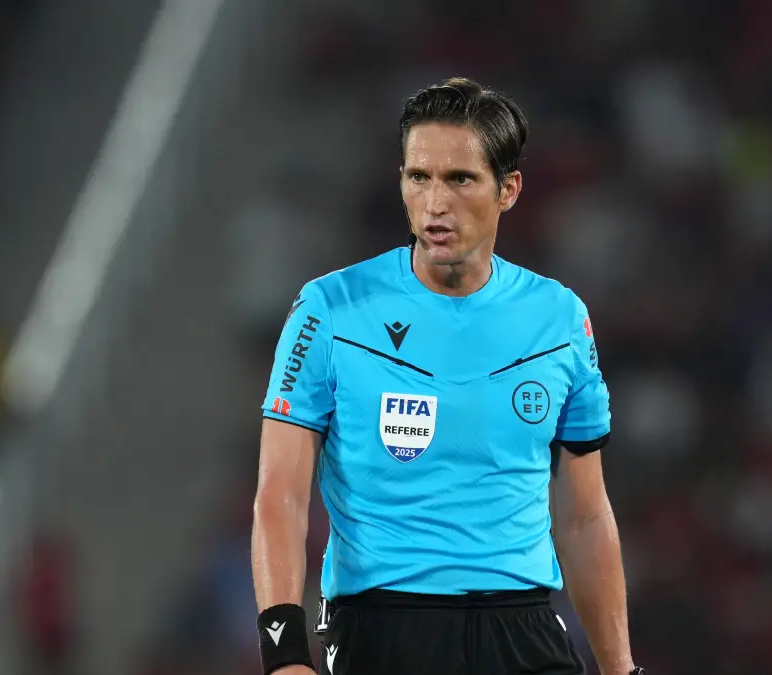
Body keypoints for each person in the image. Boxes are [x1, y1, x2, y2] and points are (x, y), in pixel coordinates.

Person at [251, 77, 643, 675]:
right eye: (419, 177)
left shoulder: (559, 318)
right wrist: (283, 656)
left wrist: (621, 669)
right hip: (382, 628)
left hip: (524, 626)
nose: (435, 202)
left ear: (508, 189)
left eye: (459, 179)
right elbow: (280, 494)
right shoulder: (329, 310)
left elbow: (584, 515)